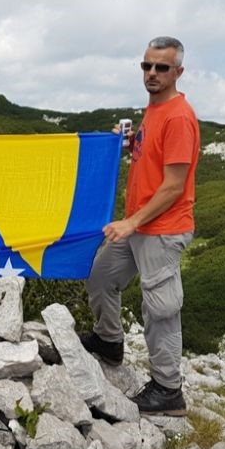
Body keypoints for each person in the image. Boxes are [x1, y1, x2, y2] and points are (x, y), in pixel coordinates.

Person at [82, 36, 200, 417]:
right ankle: (109, 341)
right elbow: (153, 159)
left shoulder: (179, 117)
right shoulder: (155, 110)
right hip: (138, 227)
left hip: (161, 230)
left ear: (178, 72)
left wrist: (131, 222)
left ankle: (168, 390)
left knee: (160, 308)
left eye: (161, 67)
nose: (152, 73)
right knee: (101, 276)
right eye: (146, 66)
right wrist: (133, 142)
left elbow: (174, 185)